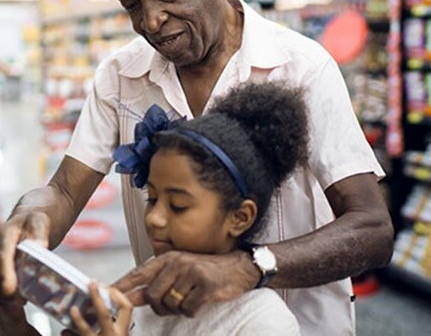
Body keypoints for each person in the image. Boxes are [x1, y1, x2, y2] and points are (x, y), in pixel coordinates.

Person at [0, 0, 393, 335]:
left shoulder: (302, 68)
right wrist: (25, 221)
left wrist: (250, 266)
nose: (150, 21)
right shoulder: (121, 76)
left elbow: (372, 228)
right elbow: (63, 191)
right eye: (130, 5)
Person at [68, 81, 305, 335]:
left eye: (178, 206)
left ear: (239, 217)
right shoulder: (150, 282)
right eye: (151, 198)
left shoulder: (262, 321)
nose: (154, 219)